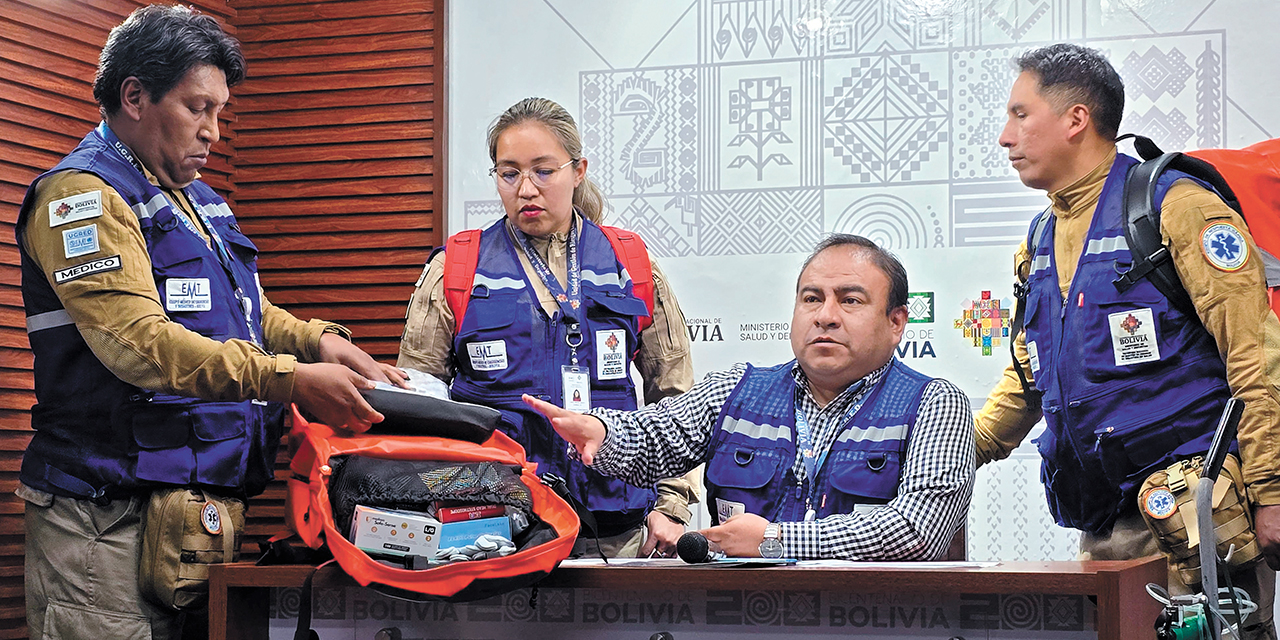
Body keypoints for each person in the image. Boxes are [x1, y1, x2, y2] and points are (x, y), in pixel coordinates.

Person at [15, 6, 407, 639]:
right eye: (198, 109)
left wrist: (319, 342)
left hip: (194, 518)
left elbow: (245, 314)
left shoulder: (196, 199)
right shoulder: (80, 198)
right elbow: (137, 342)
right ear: (134, 97)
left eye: (220, 112)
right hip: (105, 520)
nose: (214, 133)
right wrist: (289, 378)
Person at [975, 42, 1280, 638]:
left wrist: (1272, 491)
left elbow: (1256, 357)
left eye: (1019, 114)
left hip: (1199, 522)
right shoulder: (1037, 240)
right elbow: (1029, 374)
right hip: (1103, 524)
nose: (1005, 138)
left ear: (1075, 119)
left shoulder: (1177, 207)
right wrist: (955, 450)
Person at [524, 234, 974, 560]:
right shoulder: (739, 389)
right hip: (738, 619)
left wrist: (776, 540)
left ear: (896, 322)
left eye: (850, 301)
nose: (826, 316)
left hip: (873, 625)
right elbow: (658, 436)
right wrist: (602, 433)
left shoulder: (936, 404)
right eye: (811, 299)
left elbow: (918, 531)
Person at [397, 97, 700, 558]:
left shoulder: (632, 264)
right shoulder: (456, 268)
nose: (526, 189)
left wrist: (672, 505)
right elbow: (418, 401)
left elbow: (676, 400)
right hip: (492, 527)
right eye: (509, 172)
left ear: (578, 171)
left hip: (617, 527)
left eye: (544, 170)